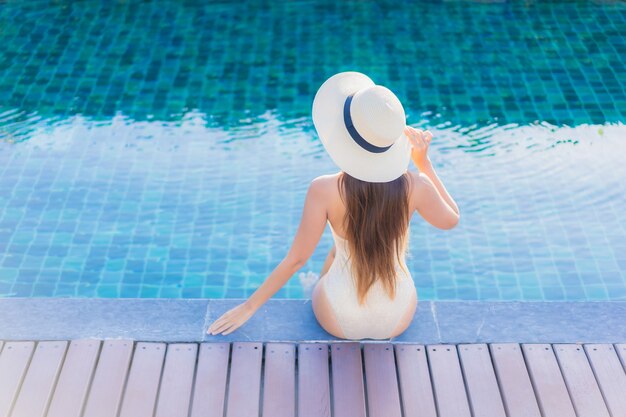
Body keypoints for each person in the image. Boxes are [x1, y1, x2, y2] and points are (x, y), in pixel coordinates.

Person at [207, 72, 460, 339]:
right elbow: (452, 218)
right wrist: (424, 165)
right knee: (345, 246)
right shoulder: (416, 186)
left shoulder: (324, 189)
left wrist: (249, 307)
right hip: (397, 315)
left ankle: (322, 284)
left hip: (339, 317)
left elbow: (297, 260)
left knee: (335, 254)